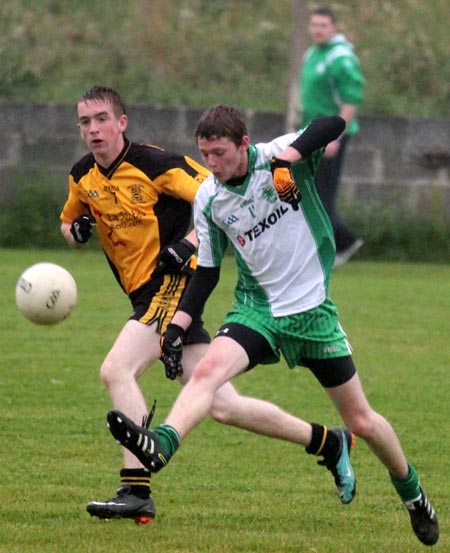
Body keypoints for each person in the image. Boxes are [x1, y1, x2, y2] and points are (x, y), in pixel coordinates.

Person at [107, 105, 439, 546]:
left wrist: (289, 161)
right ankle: (163, 443)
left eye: (220, 153)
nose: (213, 163)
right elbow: (207, 270)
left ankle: (413, 494)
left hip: (312, 313)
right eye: (206, 154)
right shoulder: (209, 196)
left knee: (362, 421)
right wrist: (178, 328)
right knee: (207, 372)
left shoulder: (276, 156)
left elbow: (333, 124)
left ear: (244, 145)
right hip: (257, 310)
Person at [60, 86, 356, 524]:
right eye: (85, 122)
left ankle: (135, 487)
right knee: (221, 404)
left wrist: (188, 243)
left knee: (116, 369)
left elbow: (214, 200)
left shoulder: (157, 164)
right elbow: (68, 220)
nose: (93, 129)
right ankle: (328, 442)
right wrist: (77, 231)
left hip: (174, 285)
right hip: (141, 292)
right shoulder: (82, 175)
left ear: (122, 122)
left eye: (102, 119)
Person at [299, 6, 365, 267]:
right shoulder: (312, 53)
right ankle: (328, 245)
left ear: (334, 28)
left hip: (330, 135)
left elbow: (351, 100)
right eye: (314, 24)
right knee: (308, 192)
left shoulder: (340, 57)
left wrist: (336, 136)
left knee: (321, 194)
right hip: (312, 133)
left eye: (323, 25)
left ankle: (344, 242)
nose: (317, 30)